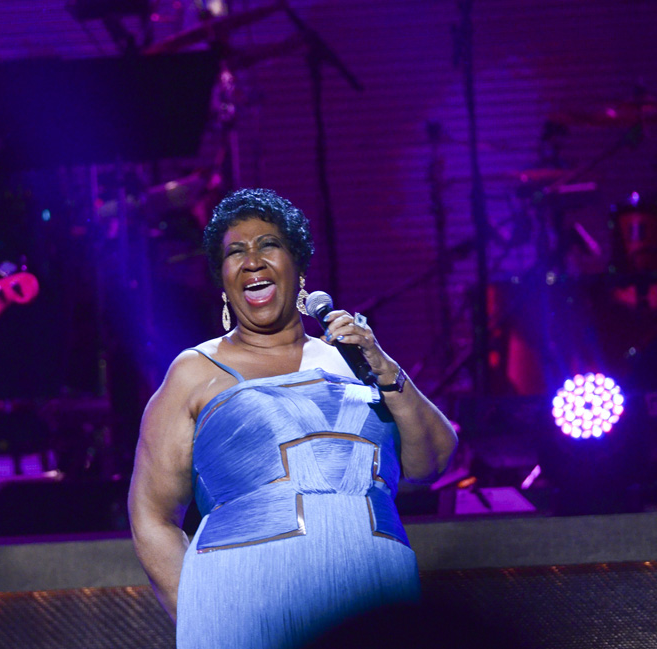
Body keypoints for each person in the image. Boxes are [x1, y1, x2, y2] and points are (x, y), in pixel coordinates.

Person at [127, 188, 458, 648]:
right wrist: (202, 615)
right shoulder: (195, 372)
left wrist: (384, 368)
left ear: (299, 269)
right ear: (223, 281)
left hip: (374, 590)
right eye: (235, 252)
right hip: (245, 599)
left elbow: (432, 462)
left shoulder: (358, 360)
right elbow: (152, 516)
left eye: (268, 245)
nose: (252, 261)